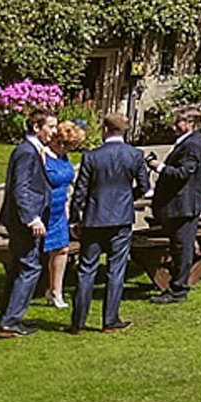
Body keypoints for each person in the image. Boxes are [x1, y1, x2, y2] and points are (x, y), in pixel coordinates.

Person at [67, 112, 149, 334]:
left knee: (86, 269)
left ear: (105, 129)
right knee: (116, 269)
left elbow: (80, 191)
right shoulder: (135, 155)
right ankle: (110, 320)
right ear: (124, 131)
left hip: (94, 217)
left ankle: (78, 322)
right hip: (121, 219)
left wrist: (75, 218)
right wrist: (128, 198)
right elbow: (144, 186)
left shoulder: (91, 157)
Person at [0, 108, 59, 339]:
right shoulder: (27, 152)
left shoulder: (33, 151)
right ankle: (11, 321)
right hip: (24, 220)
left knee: (20, 267)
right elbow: (20, 189)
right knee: (30, 267)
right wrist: (32, 218)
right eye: (50, 126)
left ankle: (7, 317)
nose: (54, 131)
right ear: (36, 127)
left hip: (26, 219)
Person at [148, 107, 201, 304]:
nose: (174, 126)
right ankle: (176, 285)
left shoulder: (193, 144)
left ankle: (178, 289)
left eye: (179, 122)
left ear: (191, 124)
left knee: (182, 247)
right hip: (181, 205)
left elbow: (183, 173)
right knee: (178, 247)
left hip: (183, 206)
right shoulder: (191, 142)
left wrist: (158, 167)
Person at [41, 120, 79, 307]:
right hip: (44, 210)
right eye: (64, 144)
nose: (65, 149)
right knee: (38, 251)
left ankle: (56, 291)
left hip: (61, 210)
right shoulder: (42, 155)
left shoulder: (64, 158)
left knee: (62, 249)